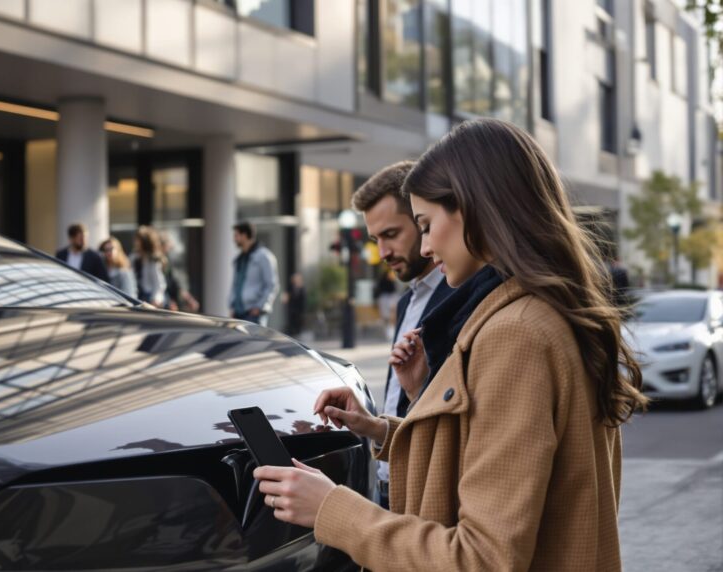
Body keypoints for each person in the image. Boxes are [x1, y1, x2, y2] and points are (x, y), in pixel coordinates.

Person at [253, 118, 648, 571]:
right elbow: (493, 458)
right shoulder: (541, 312)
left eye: (425, 224)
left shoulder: (515, 332)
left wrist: (332, 509)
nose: (423, 247)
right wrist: (384, 429)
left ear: (473, 209)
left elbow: (482, 558)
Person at [349, 160, 454, 510]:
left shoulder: (462, 296)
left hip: (431, 495)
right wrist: (371, 424)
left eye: (391, 234)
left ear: (423, 221)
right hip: (390, 485)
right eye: (376, 239)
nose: (383, 253)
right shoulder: (408, 299)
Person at [229, 221, 279, 326]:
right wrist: (232, 305)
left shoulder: (264, 256)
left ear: (244, 235)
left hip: (254, 314)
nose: (234, 239)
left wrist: (259, 307)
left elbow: (272, 285)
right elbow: (236, 284)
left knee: (254, 342)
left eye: (236, 235)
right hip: (238, 313)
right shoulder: (239, 259)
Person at [132, 226, 167, 307]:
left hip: (150, 298)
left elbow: (159, 284)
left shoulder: (153, 260)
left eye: (138, 240)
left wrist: (156, 300)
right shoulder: (134, 258)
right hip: (137, 297)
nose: (136, 242)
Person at [373, 268, 398, 340]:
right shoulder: (385, 282)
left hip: (388, 297)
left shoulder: (390, 281)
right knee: (386, 316)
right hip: (385, 298)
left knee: (391, 314)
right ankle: (389, 332)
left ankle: (390, 331)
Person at [282, 273, 306, 338]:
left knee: (298, 324)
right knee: (291, 324)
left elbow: (303, 300)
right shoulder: (290, 287)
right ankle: (292, 335)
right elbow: (285, 297)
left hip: (299, 310)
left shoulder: (302, 288)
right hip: (291, 309)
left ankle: (298, 335)